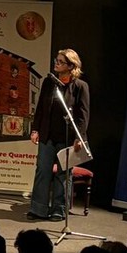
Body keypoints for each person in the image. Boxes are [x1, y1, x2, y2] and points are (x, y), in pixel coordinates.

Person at [27, 48, 89, 221]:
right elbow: (40, 107)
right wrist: (35, 129)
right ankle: (38, 209)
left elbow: (83, 115)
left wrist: (79, 138)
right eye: (57, 60)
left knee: (63, 174)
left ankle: (58, 210)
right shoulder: (49, 82)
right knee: (42, 171)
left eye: (61, 62)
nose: (56, 63)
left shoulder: (80, 86)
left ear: (71, 66)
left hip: (67, 137)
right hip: (47, 135)